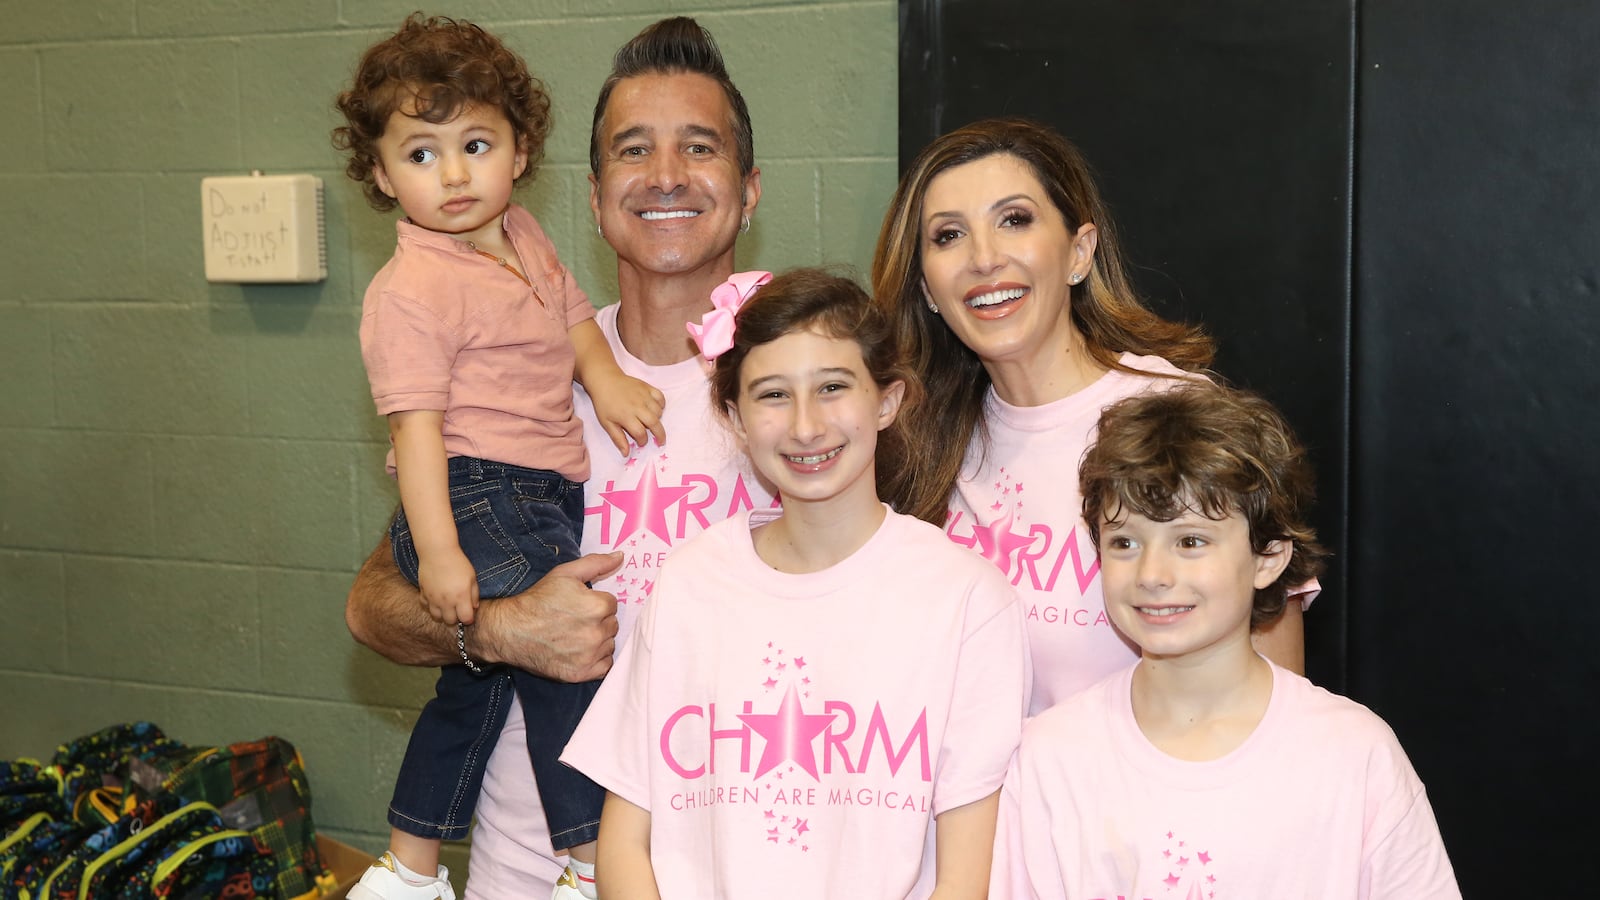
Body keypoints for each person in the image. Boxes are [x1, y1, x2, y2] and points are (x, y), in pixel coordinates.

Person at [344, 17, 771, 900]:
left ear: (749, 187)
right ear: (593, 190)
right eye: (632, 151)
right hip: (529, 873)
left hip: (739, 861)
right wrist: (499, 631)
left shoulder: (804, 384)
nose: (664, 176)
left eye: (699, 148)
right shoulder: (515, 370)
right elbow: (374, 607)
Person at [562, 268, 1028, 899]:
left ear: (887, 400)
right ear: (734, 415)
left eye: (833, 387)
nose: (806, 427)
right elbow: (625, 841)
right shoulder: (690, 583)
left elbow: (966, 875)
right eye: (773, 395)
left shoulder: (966, 598)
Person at [872, 118, 1313, 713]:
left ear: (1079, 252)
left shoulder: (1176, 410)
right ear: (927, 288)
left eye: (1014, 220)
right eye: (948, 236)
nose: (983, 258)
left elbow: (1277, 696)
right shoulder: (912, 447)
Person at [989, 384, 1459, 898]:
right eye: (1124, 541)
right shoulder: (1052, 758)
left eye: (1190, 541)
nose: (1152, 573)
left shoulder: (1354, 756)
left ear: (1269, 558)